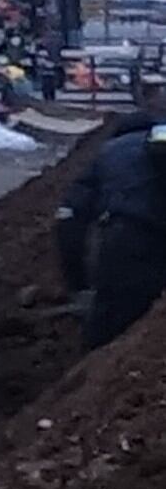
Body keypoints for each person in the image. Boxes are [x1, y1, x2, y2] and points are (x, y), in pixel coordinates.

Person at [58, 116, 166, 350]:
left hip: (127, 237)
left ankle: (99, 374)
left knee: (111, 322)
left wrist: (77, 283)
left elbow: (70, 220)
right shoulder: (153, 145)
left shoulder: (108, 154)